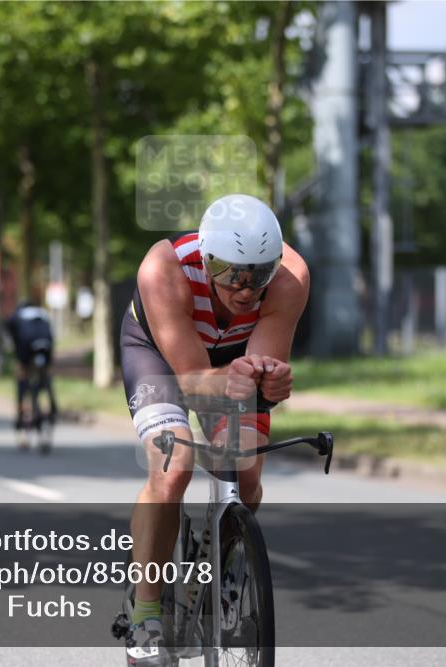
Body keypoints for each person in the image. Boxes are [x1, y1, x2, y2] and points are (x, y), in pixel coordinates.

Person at [120, 194, 309, 665]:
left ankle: (212, 564)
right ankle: (145, 615)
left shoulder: (291, 277)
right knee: (174, 466)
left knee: (246, 477)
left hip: (235, 360)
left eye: (258, 274)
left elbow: (263, 369)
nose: (245, 289)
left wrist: (272, 379)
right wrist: (242, 379)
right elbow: (191, 380)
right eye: (230, 273)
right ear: (206, 259)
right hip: (162, 360)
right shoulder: (162, 269)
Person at [4, 291, 58, 450]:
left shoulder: (16, 316)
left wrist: (18, 360)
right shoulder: (43, 313)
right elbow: (51, 335)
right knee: (45, 376)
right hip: (45, 346)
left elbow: (11, 338)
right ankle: (50, 402)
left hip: (26, 347)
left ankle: (22, 420)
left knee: (22, 380)